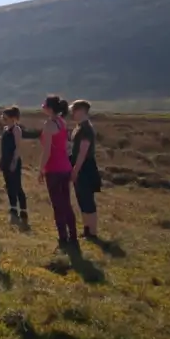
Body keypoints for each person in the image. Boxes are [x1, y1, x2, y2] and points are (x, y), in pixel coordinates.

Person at [38, 95, 78, 248]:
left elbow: (47, 151)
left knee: (57, 204)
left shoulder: (49, 124)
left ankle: (63, 237)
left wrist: (41, 169)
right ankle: (73, 235)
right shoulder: (62, 122)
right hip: (65, 166)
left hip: (54, 168)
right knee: (66, 203)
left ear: (49, 108)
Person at [69, 100, 102, 239]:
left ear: (81, 110)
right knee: (81, 198)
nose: (72, 114)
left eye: (74, 111)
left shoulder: (86, 129)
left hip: (85, 166)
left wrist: (75, 170)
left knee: (88, 199)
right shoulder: (79, 127)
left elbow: (83, 153)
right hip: (79, 165)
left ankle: (92, 232)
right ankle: (87, 229)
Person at [0, 106, 28, 223]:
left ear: (12, 118)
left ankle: (23, 211)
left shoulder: (16, 130)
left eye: (5, 117)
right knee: (9, 186)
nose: (3, 119)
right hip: (5, 161)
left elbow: (17, 147)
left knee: (17, 186)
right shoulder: (5, 129)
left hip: (13, 161)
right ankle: (13, 209)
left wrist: (14, 162)